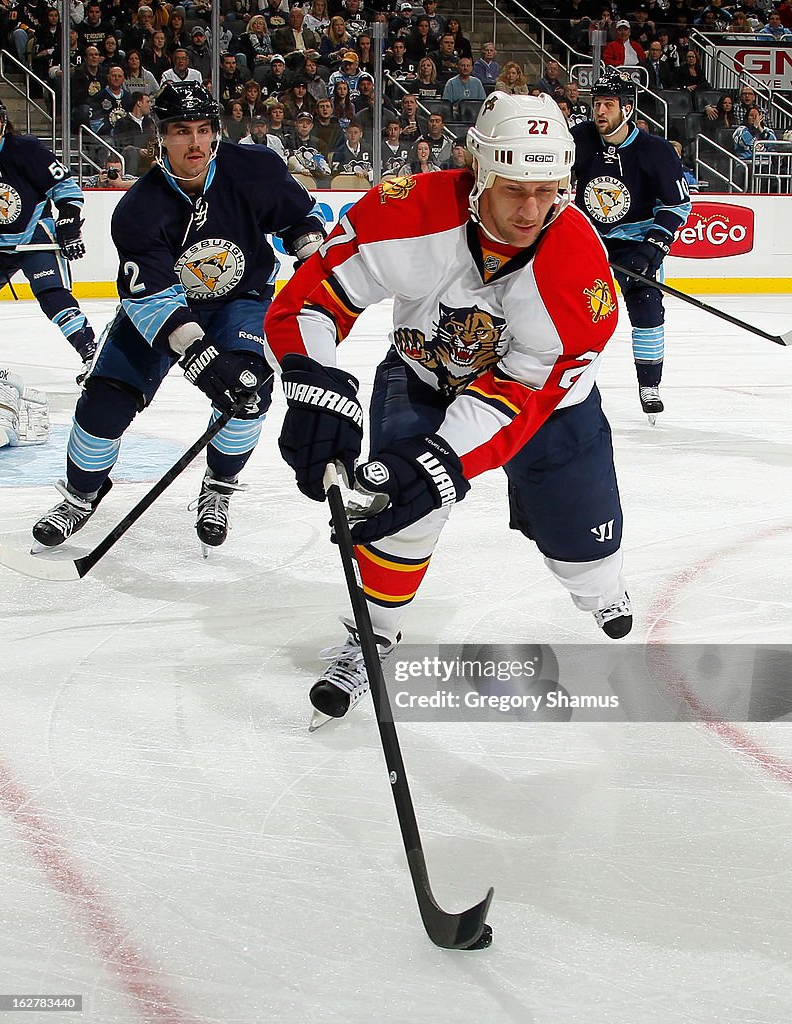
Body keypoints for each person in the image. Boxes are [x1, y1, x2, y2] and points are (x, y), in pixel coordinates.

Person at [264, 92, 631, 726]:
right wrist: (314, 383)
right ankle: (372, 634)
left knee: (580, 533)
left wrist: (437, 461)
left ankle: (598, 586)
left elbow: (522, 394)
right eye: (515, 189)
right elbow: (311, 303)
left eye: (548, 190)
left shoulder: (576, 266)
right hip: (423, 374)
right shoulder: (404, 210)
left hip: (548, 407)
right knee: (395, 505)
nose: (532, 210)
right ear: (480, 172)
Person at [32, 82, 325, 556]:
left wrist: (312, 255)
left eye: (205, 130)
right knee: (106, 400)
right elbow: (153, 301)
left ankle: (218, 489)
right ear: (161, 137)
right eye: (182, 131)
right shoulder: (139, 209)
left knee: (249, 388)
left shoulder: (253, 168)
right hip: (162, 309)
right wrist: (201, 356)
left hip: (240, 299)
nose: (196, 143)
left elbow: (298, 220)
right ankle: (81, 496)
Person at [571, 72, 691, 421]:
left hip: (636, 242)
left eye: (608, 104)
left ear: (627, 107)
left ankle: (649, 384)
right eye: (596, 104)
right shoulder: (580, 139)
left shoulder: (656, 151)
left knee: (647, 308)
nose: (600, 111)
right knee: (574, 311)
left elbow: (675, 206)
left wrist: (652, 249)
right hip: (589, 241)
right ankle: (568, 381)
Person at [0, 94, 96, 379]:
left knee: (53, 296)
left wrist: (68, 225)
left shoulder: (25, 149)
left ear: (3, 122)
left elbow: (65, 188)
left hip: (33, 236)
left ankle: (90, 351)